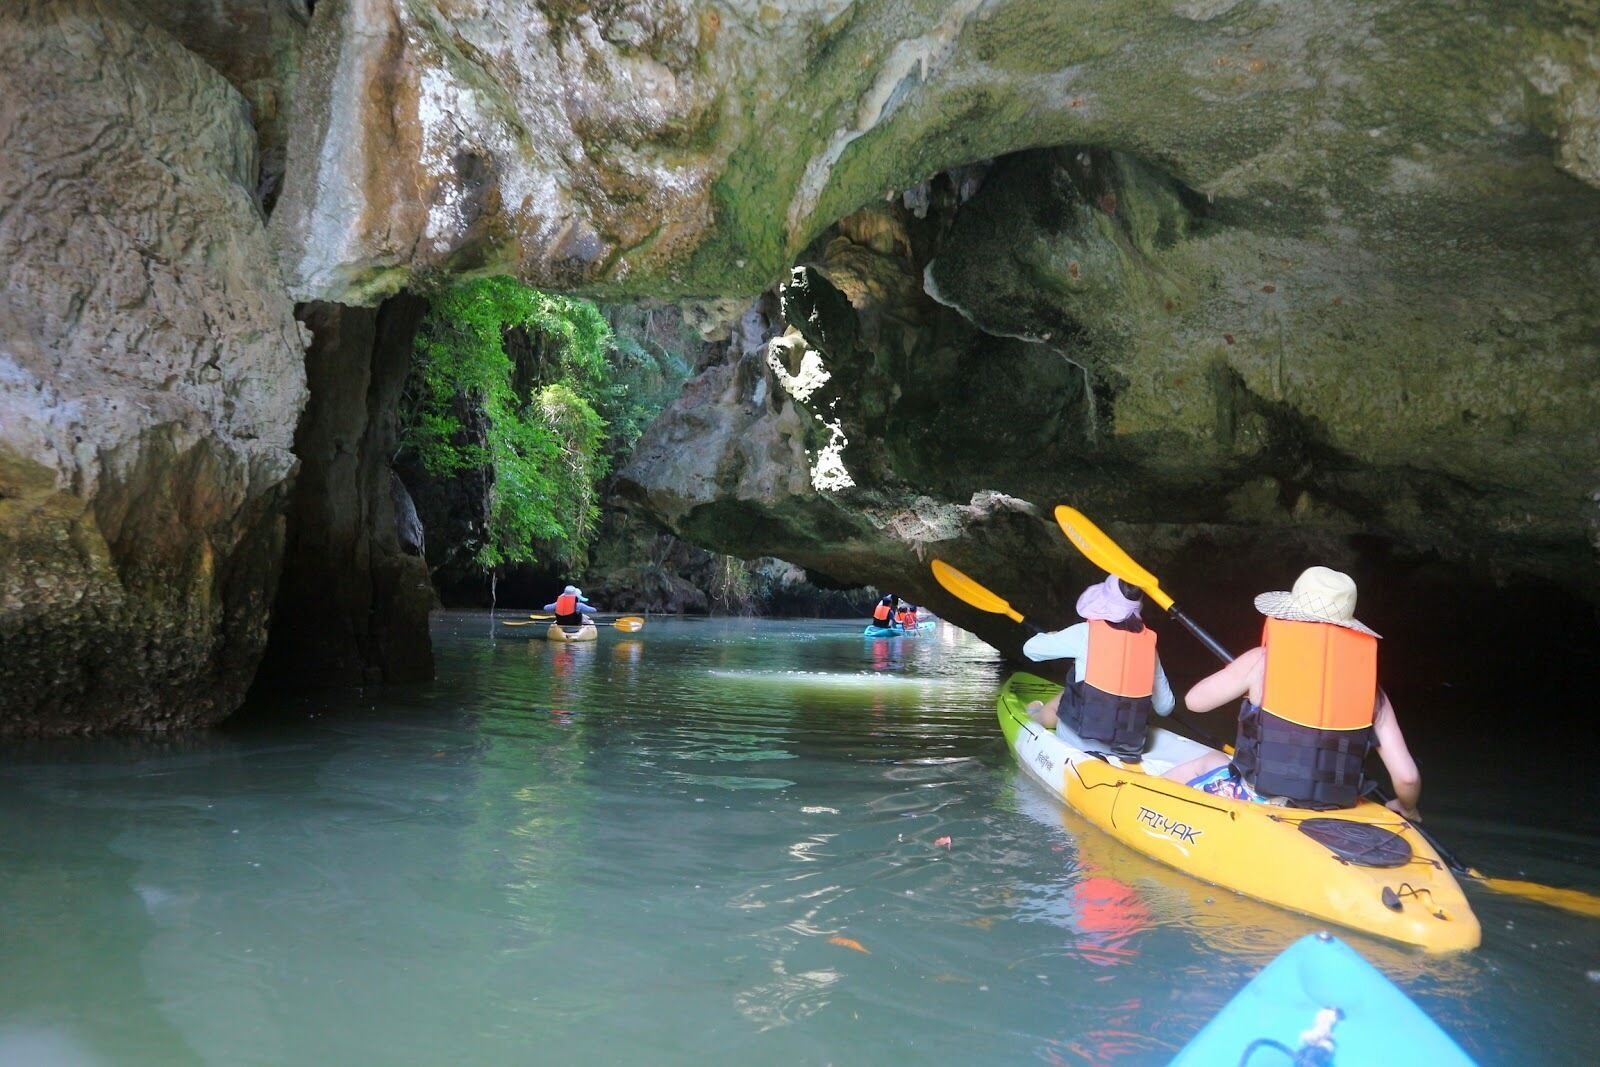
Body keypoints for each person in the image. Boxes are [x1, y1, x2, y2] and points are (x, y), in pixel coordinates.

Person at [1161, 567, 1422, 819]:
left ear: (1291, 615)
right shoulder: (1372, 692)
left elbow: (1195, 702)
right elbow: (1407, 778)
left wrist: (1242, 678)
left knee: (1211, 760)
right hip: (1336, 808)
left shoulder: (1261, 662)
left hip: (1261, 800)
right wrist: (1406, 806)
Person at [1021, 574, 1175, 757]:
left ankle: (1037, 715)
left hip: (1077, 741)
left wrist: (1052, 636)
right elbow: (1165, 707)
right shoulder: (1149, 646)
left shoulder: (1084, 633)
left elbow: (1030, 650)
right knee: (1083, 690)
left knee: (1069, 693)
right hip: (1128, 749)